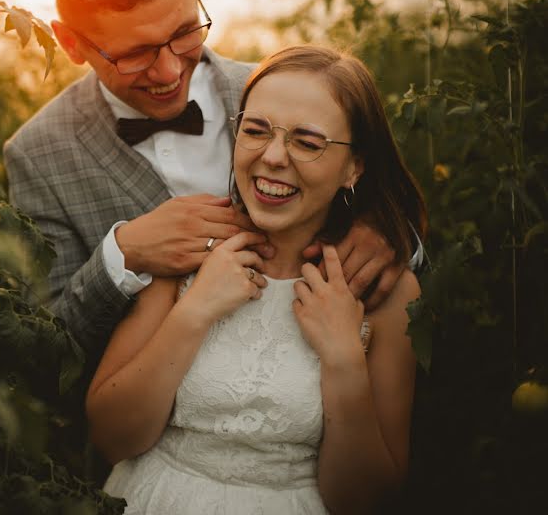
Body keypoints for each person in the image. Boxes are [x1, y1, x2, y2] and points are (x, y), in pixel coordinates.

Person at [3, 0, 416, 366]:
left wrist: (389, 232)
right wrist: (122, 254)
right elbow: (43, 348)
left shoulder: (280, 93)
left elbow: (392, 218)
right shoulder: (38, 153)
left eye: (184, 33)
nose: (168, 71)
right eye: (135, 54)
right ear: (69, 42)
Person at [86, 45, 427, 514]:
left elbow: (364, 502)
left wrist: (344, 359)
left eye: (307, 142)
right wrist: (194, 311)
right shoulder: (187, 252)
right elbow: (110, 438)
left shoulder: (387, 293)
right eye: (255, 130)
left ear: (355, 166)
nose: (271, 157)